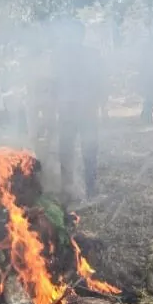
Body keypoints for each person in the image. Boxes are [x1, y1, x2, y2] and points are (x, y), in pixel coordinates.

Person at [50, 18, 104, 203]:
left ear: (82, 35)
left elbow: (100, 83)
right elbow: (53, 84)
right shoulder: (58, 56)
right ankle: (68, 189)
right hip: (67, 111)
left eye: (76, 34)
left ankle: (90, 189)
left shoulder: (93, 55)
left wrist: (101, 106)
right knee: (66, 150)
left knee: (89, 149)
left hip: (86, 110)